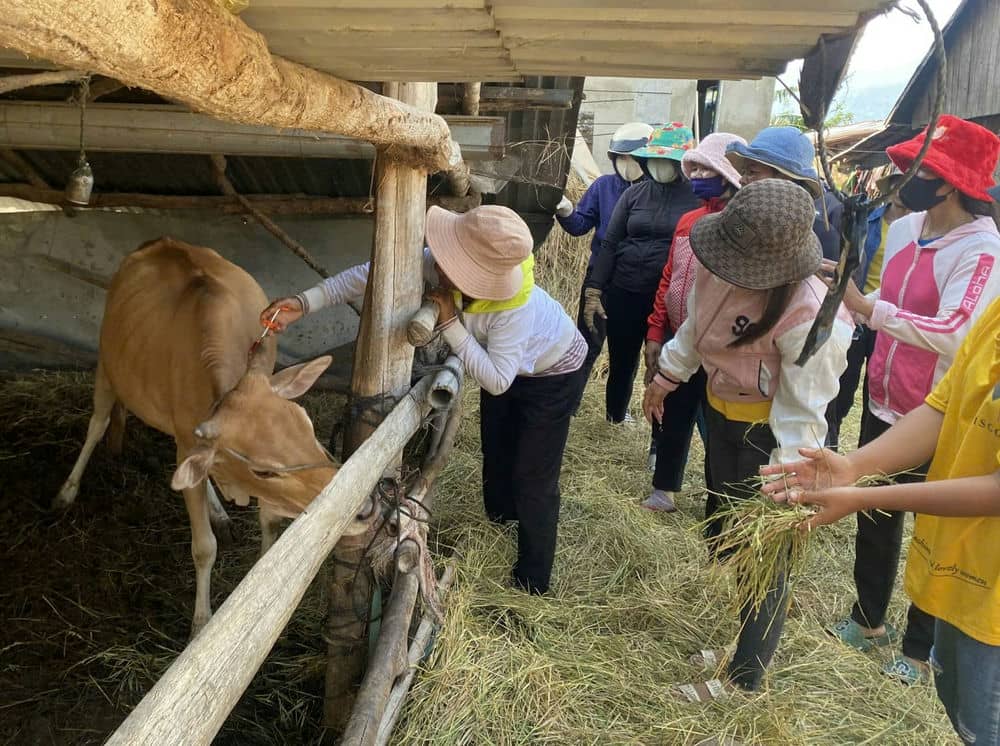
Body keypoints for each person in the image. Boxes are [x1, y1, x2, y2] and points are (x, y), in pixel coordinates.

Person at [261, 205, 587, 595]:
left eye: (454, 264)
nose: (440, 265)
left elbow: (497, 381)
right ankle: (501, 519)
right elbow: (369, 276)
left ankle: (533, 580)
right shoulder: (443, 264)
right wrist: (304, 302)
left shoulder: (511, 307)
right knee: (496, 447)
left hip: (554, 371)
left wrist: (449, 323)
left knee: (534, 474)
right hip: (506, 363)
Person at [642, 179, 854, 698]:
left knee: (766, 556)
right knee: (737, 543)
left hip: (769, 439)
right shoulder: (721, 268)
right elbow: (695, 329)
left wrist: (787, 480)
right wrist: (665, 377)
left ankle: (745, 677)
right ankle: (744, 643)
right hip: (722, 418)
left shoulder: (809, 311)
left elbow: (804, 406)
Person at [760, 293, 1000, 745]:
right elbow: (943, 406)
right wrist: (854, 466)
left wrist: (864, 498)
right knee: (963, 714)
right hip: (963, 578)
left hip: (994, 602)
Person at [819, 115, 1000, 686]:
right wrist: (848, 293)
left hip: (941, 413)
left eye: (912, 168)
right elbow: (885, 295)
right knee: (872, 510)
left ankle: (921, 648)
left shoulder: (982, 251)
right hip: (885, 397)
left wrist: (870, 310)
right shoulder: (903, 228)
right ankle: (869, 618)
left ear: (947, 182)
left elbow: (954, 331)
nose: (900, 177)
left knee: (934, 521)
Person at [640, 132, 746, 513]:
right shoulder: (688, 221)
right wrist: (656, 330)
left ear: (728, 172)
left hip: (718, 345)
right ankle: (664, 490)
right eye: (694, 167)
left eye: (706, 167)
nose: (697, 174)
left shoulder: (739, 228)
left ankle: (718, 504)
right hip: (677, 336)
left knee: (717, 427)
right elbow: (669, 276)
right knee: (673, 414)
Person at [582, 123, 700, 424]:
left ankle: (659, 436)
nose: (661, 167)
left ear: (683, 164)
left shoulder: (696, 200)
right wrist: (595, 289)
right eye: (655, 160)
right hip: (625, 290)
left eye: (669, 161)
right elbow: (610, 243)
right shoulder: (633, 195)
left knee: (664, 365)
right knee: (622, 360)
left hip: (668, 299)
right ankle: (615, 418)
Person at [554, 122, 653, 411]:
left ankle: (616, 414)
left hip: (635, 284)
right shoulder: (604, 186)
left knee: (626, 355)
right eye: (621, 158)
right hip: (599, 280)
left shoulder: (654, 194)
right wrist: (567, 210)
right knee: (585, 345)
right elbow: (580, 225)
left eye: (633, 159)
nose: (627, 165)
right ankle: (567, 407)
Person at [826, 167, 911, 450]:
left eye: (906, 183)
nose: (900, 190)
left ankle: (868, 449)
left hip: (892, 317)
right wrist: (855, 302)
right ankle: (832, 441)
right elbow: (848, 257)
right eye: (895, 183)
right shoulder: (869, 219)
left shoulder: (919, 230)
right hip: (859, 310)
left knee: (877, 387)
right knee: (844, 383)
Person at [724, 125, 843, 261]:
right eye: (744, 172)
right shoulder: (737, 220)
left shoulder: (822, 236)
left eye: (752, 172)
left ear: (785, 179)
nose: (742, 179)